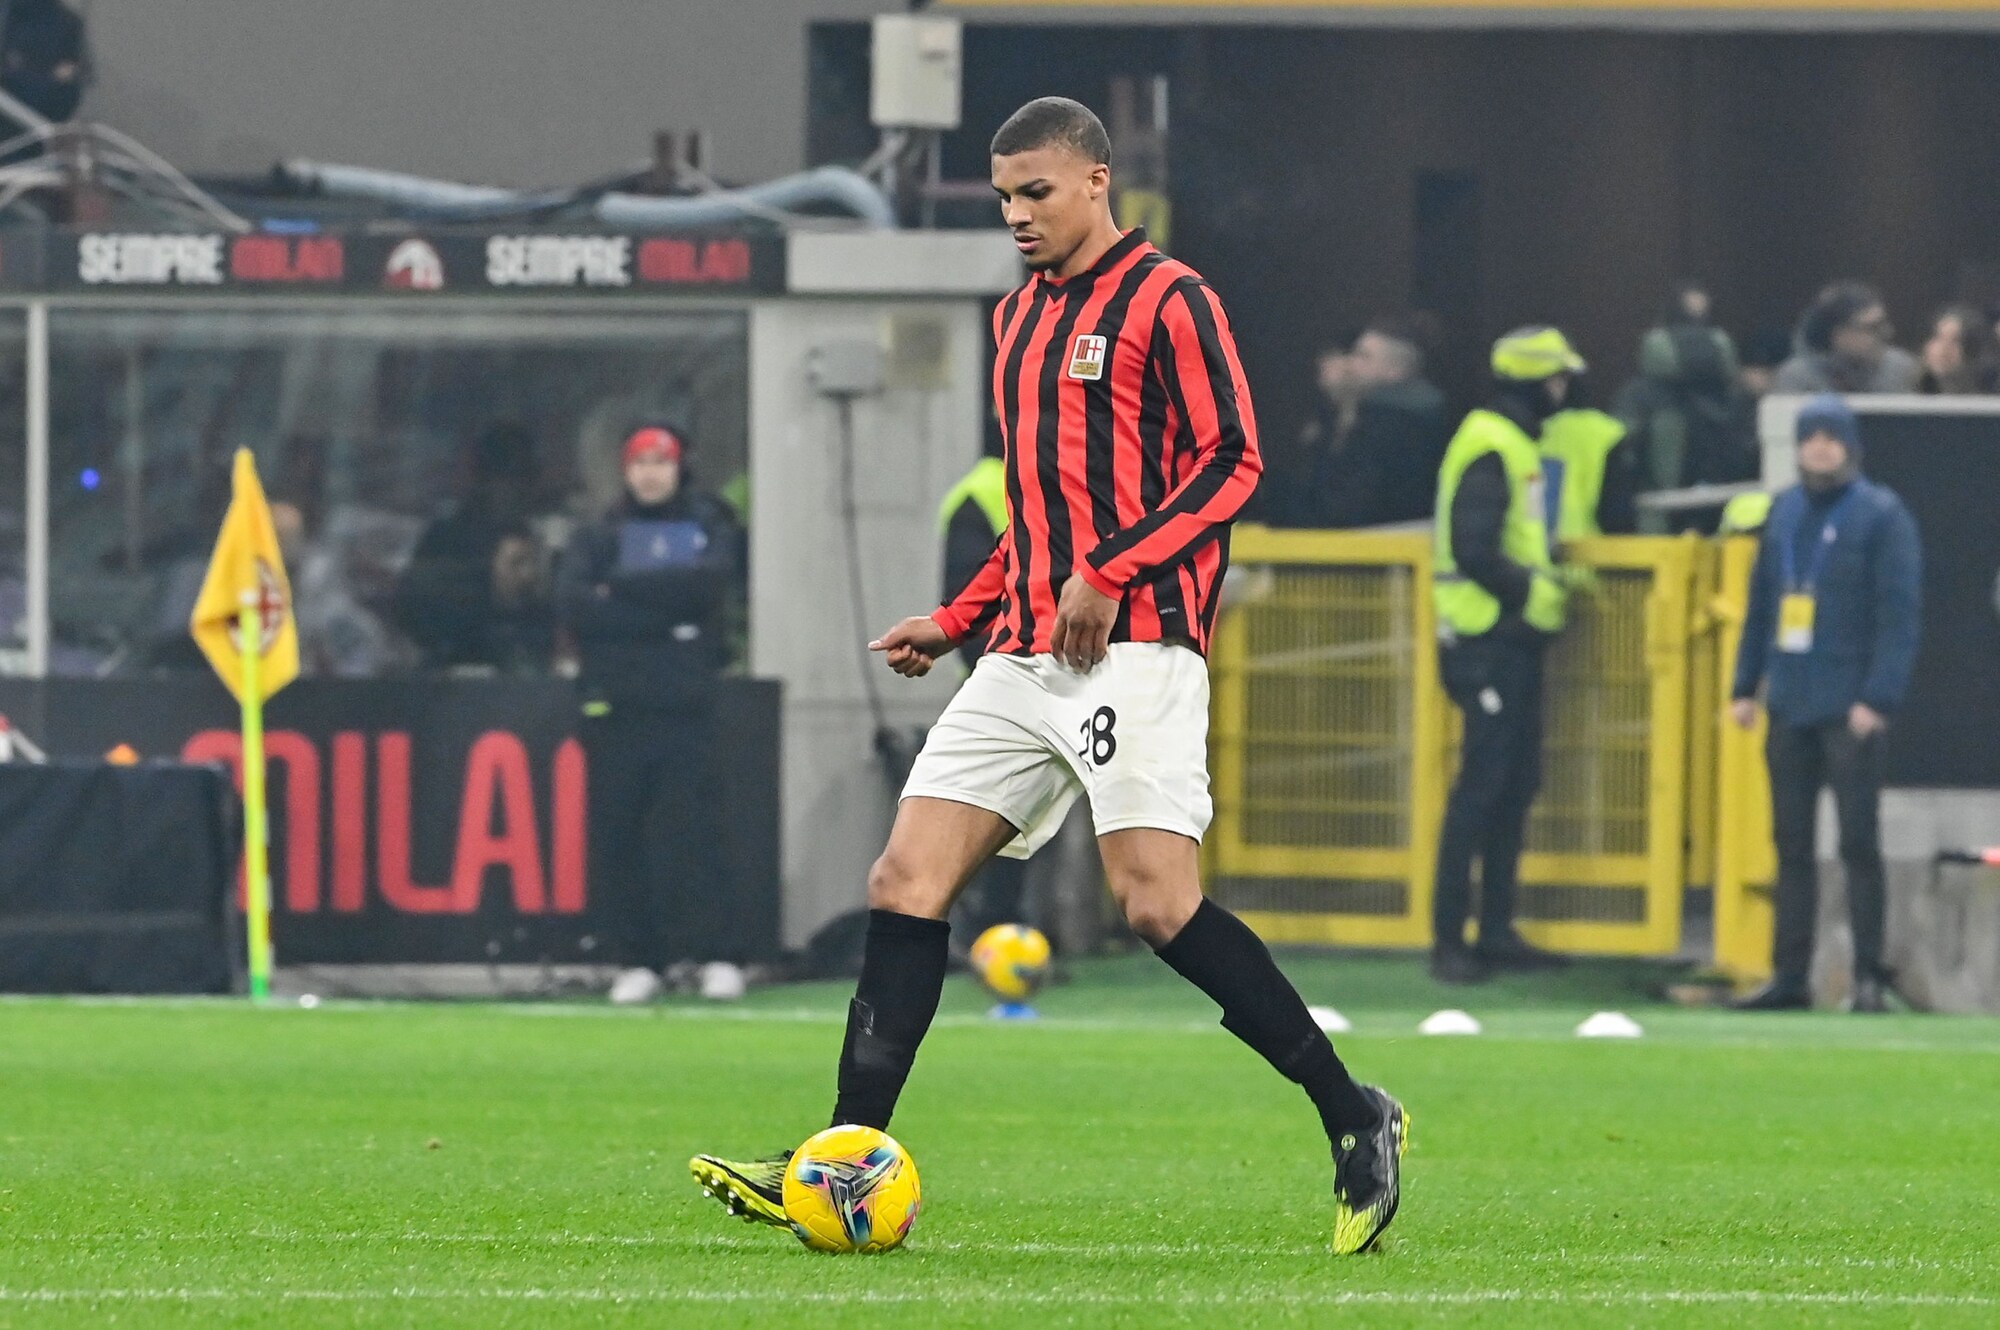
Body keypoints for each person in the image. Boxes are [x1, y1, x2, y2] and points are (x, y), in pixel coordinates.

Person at [689, 96, 1407, 1256]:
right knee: (903, 879)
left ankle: (1351, 1112)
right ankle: (842, 1152)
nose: (1016, 214)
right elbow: (1034, 518)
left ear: (1093, 182)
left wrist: (1111, 571)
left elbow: (1233, 463)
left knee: (1154, 903)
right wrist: (955, 617)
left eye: (1034, 191)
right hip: (1023, 652)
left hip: (1138, 645)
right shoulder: (1017, 317)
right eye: (1002, 197)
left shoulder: (1170, 299)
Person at [1728, 396, 1921, 1013]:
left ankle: (1868, 977)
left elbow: (1899, 614)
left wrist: (1878, 696)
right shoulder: (1784, 511)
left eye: (1830, 438)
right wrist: (1744, 686)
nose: (1819, 447)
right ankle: (1789, 976)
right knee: (1790, 845)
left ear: (1850, 447)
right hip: (1790, 699)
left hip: (1849, 707)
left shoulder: (1881, 515)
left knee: (1857, 844)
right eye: (1809, 437)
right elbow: (1762, 605)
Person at [556, 424, 743, 1005]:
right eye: (640, 463)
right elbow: (576, 603)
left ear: (679, 467)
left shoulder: (709, 525)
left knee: (694, 834)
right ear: (626, 470)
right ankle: (638, 960)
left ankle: (715, 954)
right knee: (620, 837)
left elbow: (708, 587)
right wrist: (667, 619)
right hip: (618, 710)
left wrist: (620, 594)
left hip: (686, 708)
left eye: (661, 462)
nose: (651, 473)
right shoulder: (598, 534)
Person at [1428, 327, 1583, 985]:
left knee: (1514, 784)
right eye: (1557, 378)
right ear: (1535, 381)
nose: (1563, 389)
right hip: (1486, 642)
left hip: (1508, 643)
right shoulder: (1493, 444)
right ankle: (1450, 941)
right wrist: (1532, 594)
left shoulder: (1510, 441)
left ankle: (1494, 931)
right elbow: (1474, 548)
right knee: (1482, 789)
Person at [935, 425, 1032, 946]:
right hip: (1005, 682)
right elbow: (967, 597)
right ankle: (991, 933)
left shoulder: (1041, 482)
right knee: (1000, 825)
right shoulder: (985, 493)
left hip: (1043, 677)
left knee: (1018, 825)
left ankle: (1009, 932)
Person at [392, 422, 552, 673]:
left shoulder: (545, 539)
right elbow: (413, 606)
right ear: (482, 480)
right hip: (452, 681)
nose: (521, 490)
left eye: (526, 478)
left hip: (530, 680)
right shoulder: (446, 538)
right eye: (509, 477)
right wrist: (490, 581)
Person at [1291, 314, 1450, 528]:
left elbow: (1347, 504)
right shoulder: (1368, 415)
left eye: (1364, 357)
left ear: (1395, 370)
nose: (1350, 364)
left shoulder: (1394, 426)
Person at [1614, 282, 1757, 496]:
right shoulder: (1738, 396)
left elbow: (1623, 457)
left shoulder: (1638, 396)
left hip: (1658, 506)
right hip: (1729, 504)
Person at [1773, 282, 1919, 396]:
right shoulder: (1797, 377)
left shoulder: (1900, 369)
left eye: (1883, 323)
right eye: (1872, 327)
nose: (1886, 333)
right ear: (1838, 334)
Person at [1916, 304, 2000, 395]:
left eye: (1956, 340)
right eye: (1938, 337)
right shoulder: (1909, 392)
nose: (1944, 349)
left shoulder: (1989, 396)